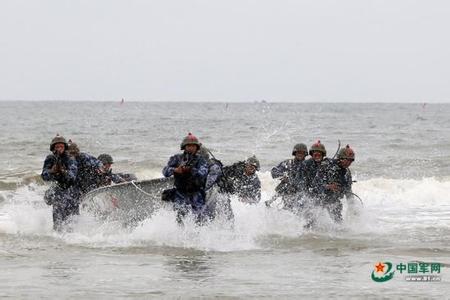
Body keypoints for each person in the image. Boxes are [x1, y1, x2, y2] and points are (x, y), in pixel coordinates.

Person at [162, 133, 209, 224]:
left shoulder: (201, 160)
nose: (191, 148)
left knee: (199, 219)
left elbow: (203, 174)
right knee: (180, 218)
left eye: (193, 146)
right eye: (188, 146)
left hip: (196, 193)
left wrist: (191, 170)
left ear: (197, 147)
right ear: (184, 147)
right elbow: (165, 171)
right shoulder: (176, 158)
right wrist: (176, 170)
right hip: (180, 193)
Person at [41, 135, 79, 231]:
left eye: (61, 146)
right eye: (57, 147)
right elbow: (44, 176)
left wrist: (63, 171)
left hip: (71, 190)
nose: (59, 149)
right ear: (53, 148)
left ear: (65, 147)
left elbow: (72, 177)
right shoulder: (50, 158)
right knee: (58, 221)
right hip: (58, 189)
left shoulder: (70, 158)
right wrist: (52, 171)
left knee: (72, 221)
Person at [310, 145, 356, 223]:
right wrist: (328, 186)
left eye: (351, 160)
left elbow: (348, 192)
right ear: (340, 158)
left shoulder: (347, 173)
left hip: (334, 200)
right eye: (347, 160)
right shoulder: (327, 165)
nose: (349, 162)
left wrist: (352, 206)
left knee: (339, 224)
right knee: (311, 222)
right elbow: (315, 184)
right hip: (319, 197)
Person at [197, 146, 234, 222]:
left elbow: (208, 184)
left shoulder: (214, 166)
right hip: (213, 194)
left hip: (220, 195)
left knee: (226, 220)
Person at [267, 143, 308, 209]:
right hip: (287, 192)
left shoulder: (308, 165)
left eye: (302, 153)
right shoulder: (288, 163)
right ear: (295, 153)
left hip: (302, 193)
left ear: (305, 154)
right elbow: (274, 171)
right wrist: (282, 176)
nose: (300, 154)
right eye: (298, 152)